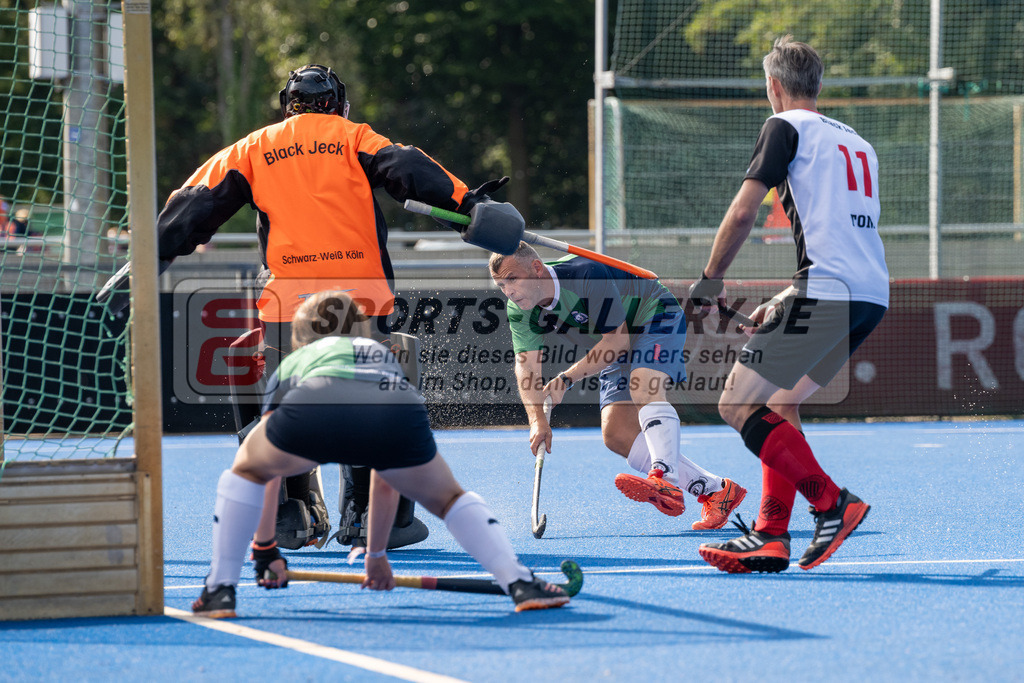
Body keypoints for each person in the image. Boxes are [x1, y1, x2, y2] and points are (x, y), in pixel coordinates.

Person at [156, 64, 518, 552]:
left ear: (288, 106)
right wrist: (468, 205)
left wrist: (158, 246)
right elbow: (409, 170)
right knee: (378, 399)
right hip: (362, 303)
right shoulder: (355, 137)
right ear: (339, 105)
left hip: (288, 310)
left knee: (286, 405)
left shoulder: (253, 148)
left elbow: (194, 203)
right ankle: (371, 517)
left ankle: (293, 513)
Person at [191, 291, 569, 617]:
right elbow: (386, 478)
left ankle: (220, 588)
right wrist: (374, 555)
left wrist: (264, 550)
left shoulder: (295, 361)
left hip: (311, 406)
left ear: (299, 338)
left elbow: (270, 471)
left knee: (245, 472)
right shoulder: (378, 352)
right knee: (450, 498)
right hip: (395, 409)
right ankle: (519, 582)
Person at [689, 36, 888, 573]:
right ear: (817, 86)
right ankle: (771, 536)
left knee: (735, 403)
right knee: (779, 403)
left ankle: (831, 503)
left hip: (825, 291)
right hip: (869, 294)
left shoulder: (785, 126)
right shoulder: (858, 143)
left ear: (773, 87)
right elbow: (844, 236)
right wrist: (784, 298)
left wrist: (710, 281)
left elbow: (743, 212)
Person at [490, 242, 747, 530]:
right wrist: (537, 420)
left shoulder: (584, 273)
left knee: (643, 385)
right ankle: (716, 490)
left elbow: (618, 341)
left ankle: (665, 479)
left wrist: (566, 378)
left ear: (536, 269)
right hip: (614, 343)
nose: (508, 290)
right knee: (617, 434)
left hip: (652, 315)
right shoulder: (520, 309)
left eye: (512, 279)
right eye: (501, 284)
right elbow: (526, 367)